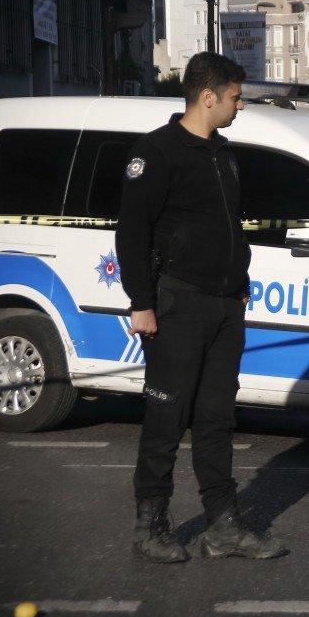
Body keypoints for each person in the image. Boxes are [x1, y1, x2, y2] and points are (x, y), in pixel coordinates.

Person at [117, 52, 285, 563]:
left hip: (224, 305)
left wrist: (240, 283)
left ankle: (223, 526)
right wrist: (142, 304)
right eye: (234, 97)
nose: (239, 106)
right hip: (178, 302)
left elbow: (230, 225)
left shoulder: (225, 153)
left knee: (216, 418)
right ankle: (151, 525)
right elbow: (132, 231)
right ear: (207, 96)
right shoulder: (158, 152)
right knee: (167, 416)